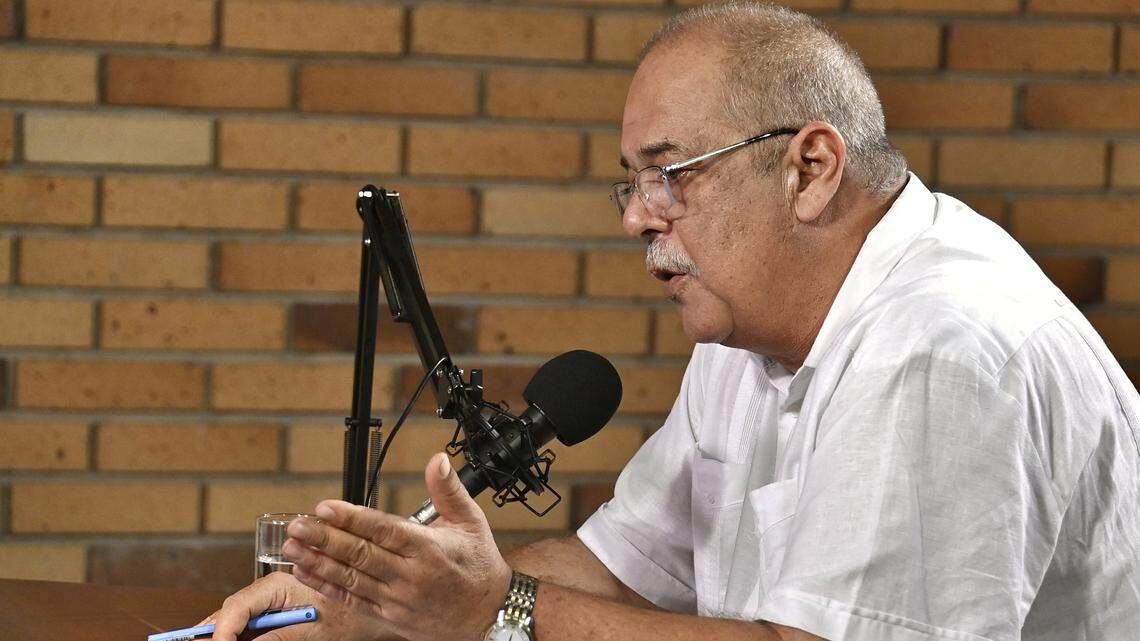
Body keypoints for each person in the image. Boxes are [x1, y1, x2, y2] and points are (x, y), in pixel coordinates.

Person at [208, 3, 1140, 641]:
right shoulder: (754, 325)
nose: (637, 216)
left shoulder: (938, 346)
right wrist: (391, 597)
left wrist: (496, 613)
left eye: (671, 173)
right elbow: (623, 565)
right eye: (631, 181)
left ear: (810, 169)